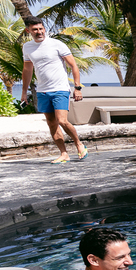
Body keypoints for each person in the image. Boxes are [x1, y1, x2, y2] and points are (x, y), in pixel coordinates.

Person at [20, 16, 88, 164]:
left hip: (60, 89)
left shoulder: (57, 44)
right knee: (51, 123)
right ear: (28, 31)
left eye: (40, 28)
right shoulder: (27, 47)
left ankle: (79, 144)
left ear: (44, 28)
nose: (39, 32)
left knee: (62, 121)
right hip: (42, 91)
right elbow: (27, 70)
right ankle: (64, 153)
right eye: (35, 30)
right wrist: (24, 92)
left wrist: (77, 88)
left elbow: (73, 66)